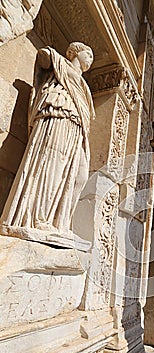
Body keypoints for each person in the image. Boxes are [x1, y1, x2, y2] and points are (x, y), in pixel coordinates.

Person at [0, 42, 95, 244]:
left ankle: (61, 223)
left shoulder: (84, 86)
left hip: (76, 127)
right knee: (51, 166)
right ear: (76, 52)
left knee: (80, 175)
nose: (91, 60)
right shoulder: (60, 63)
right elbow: (43, 57)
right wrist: (54, 58)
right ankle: (38, 218)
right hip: (57, 117)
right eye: (89, 54)